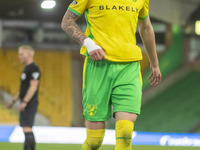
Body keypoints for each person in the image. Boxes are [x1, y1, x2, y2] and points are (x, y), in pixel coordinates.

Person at [61, 0, 161, 149]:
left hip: (129, 67)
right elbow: (67, 21)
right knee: (94, 141)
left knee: (125, 133)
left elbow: (146, 28)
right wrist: (88, 43)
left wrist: (154, 63)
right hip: (98, 66)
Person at [7, 45, 40, 150]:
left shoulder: (34, 69)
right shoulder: (26, 69)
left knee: (27, 129)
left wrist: (25, 101)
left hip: (30, 102)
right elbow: (23, 89)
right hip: (26, 102)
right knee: (27, 129)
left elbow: (33, 87)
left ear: (29, 54)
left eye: (21, 54)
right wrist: (13, 101)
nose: (19, 56)